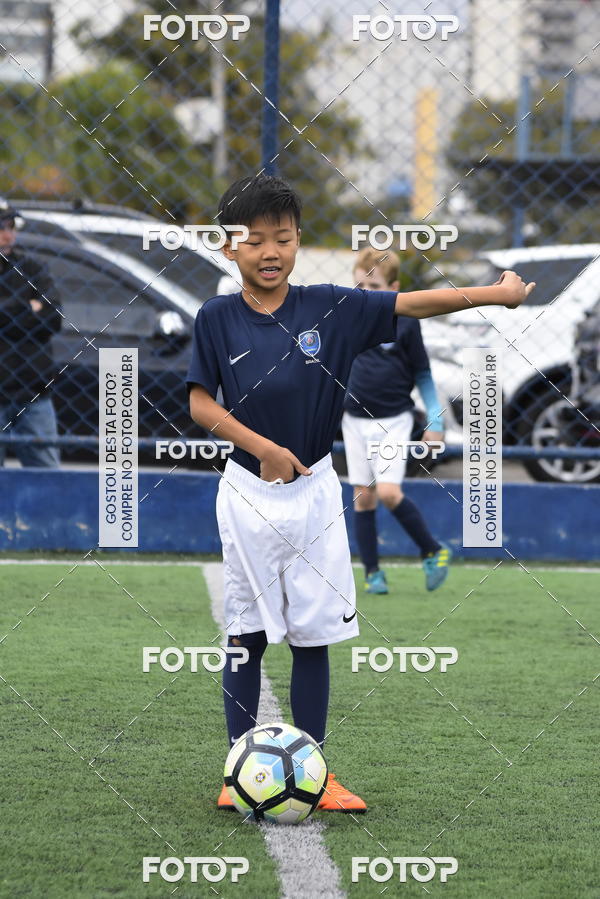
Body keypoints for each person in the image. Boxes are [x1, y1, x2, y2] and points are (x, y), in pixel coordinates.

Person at [186, 174, 534, 813]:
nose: (271, 252)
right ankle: (238, 773)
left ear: (298, 241)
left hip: (317, 495)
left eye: (283, 238)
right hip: (247, 495)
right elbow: (200, 403)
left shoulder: (331, 307)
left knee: (314, 635)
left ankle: (313, 773)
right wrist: (262, 448)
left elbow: (414, 304)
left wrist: (497, 294)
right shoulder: (216, 317)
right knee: (245, 634)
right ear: (228, 246)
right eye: (254, 240)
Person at [342, 247, 450, 594]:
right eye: (360, 286)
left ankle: (432, 550)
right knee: (363, 496)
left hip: (393, 421)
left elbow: (424, 375)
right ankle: (373, 573)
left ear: (394, 288)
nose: (365, 294)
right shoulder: (346, 318)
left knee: (388, 492)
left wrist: (436, 423)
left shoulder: (406, 322)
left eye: (374, 286)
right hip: (353, 420)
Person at [0, 200, 62, 467]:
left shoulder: (32, 268)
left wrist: (8, 312)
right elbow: (39, 314)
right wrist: (28, 307)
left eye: (11, 226)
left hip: (33, 391)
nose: (8, 234)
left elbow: (53, 318)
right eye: (1, 227)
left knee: (47, 476)